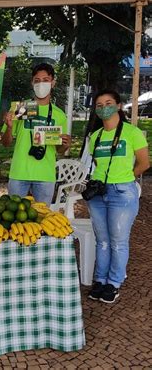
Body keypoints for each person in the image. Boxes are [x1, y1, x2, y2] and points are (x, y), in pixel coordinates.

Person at [86, 89, 149, 304]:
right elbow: (97, 164)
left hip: (122, 193)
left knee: (118, 241)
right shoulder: (95, 136)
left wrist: (125, 178)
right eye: (100, 105)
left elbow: (144, 163)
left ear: (119, 106)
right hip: (98, 193)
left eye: (109, 103)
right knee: (102, 241)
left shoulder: (132, 133)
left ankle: (114, 283)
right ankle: (100, 280)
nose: (104, 107)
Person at [0, 63, 71, 205]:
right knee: (15, 220)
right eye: (37, 80)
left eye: (45, 80)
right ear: (32, 83)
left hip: (45, 175)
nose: (41, 84)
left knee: (42, 219)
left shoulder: (59, 115)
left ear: (53, 83)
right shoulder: (21, 108)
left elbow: (60, 150)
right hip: (19, 173)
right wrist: (8, 127)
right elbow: (6, 143)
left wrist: (65, 144)